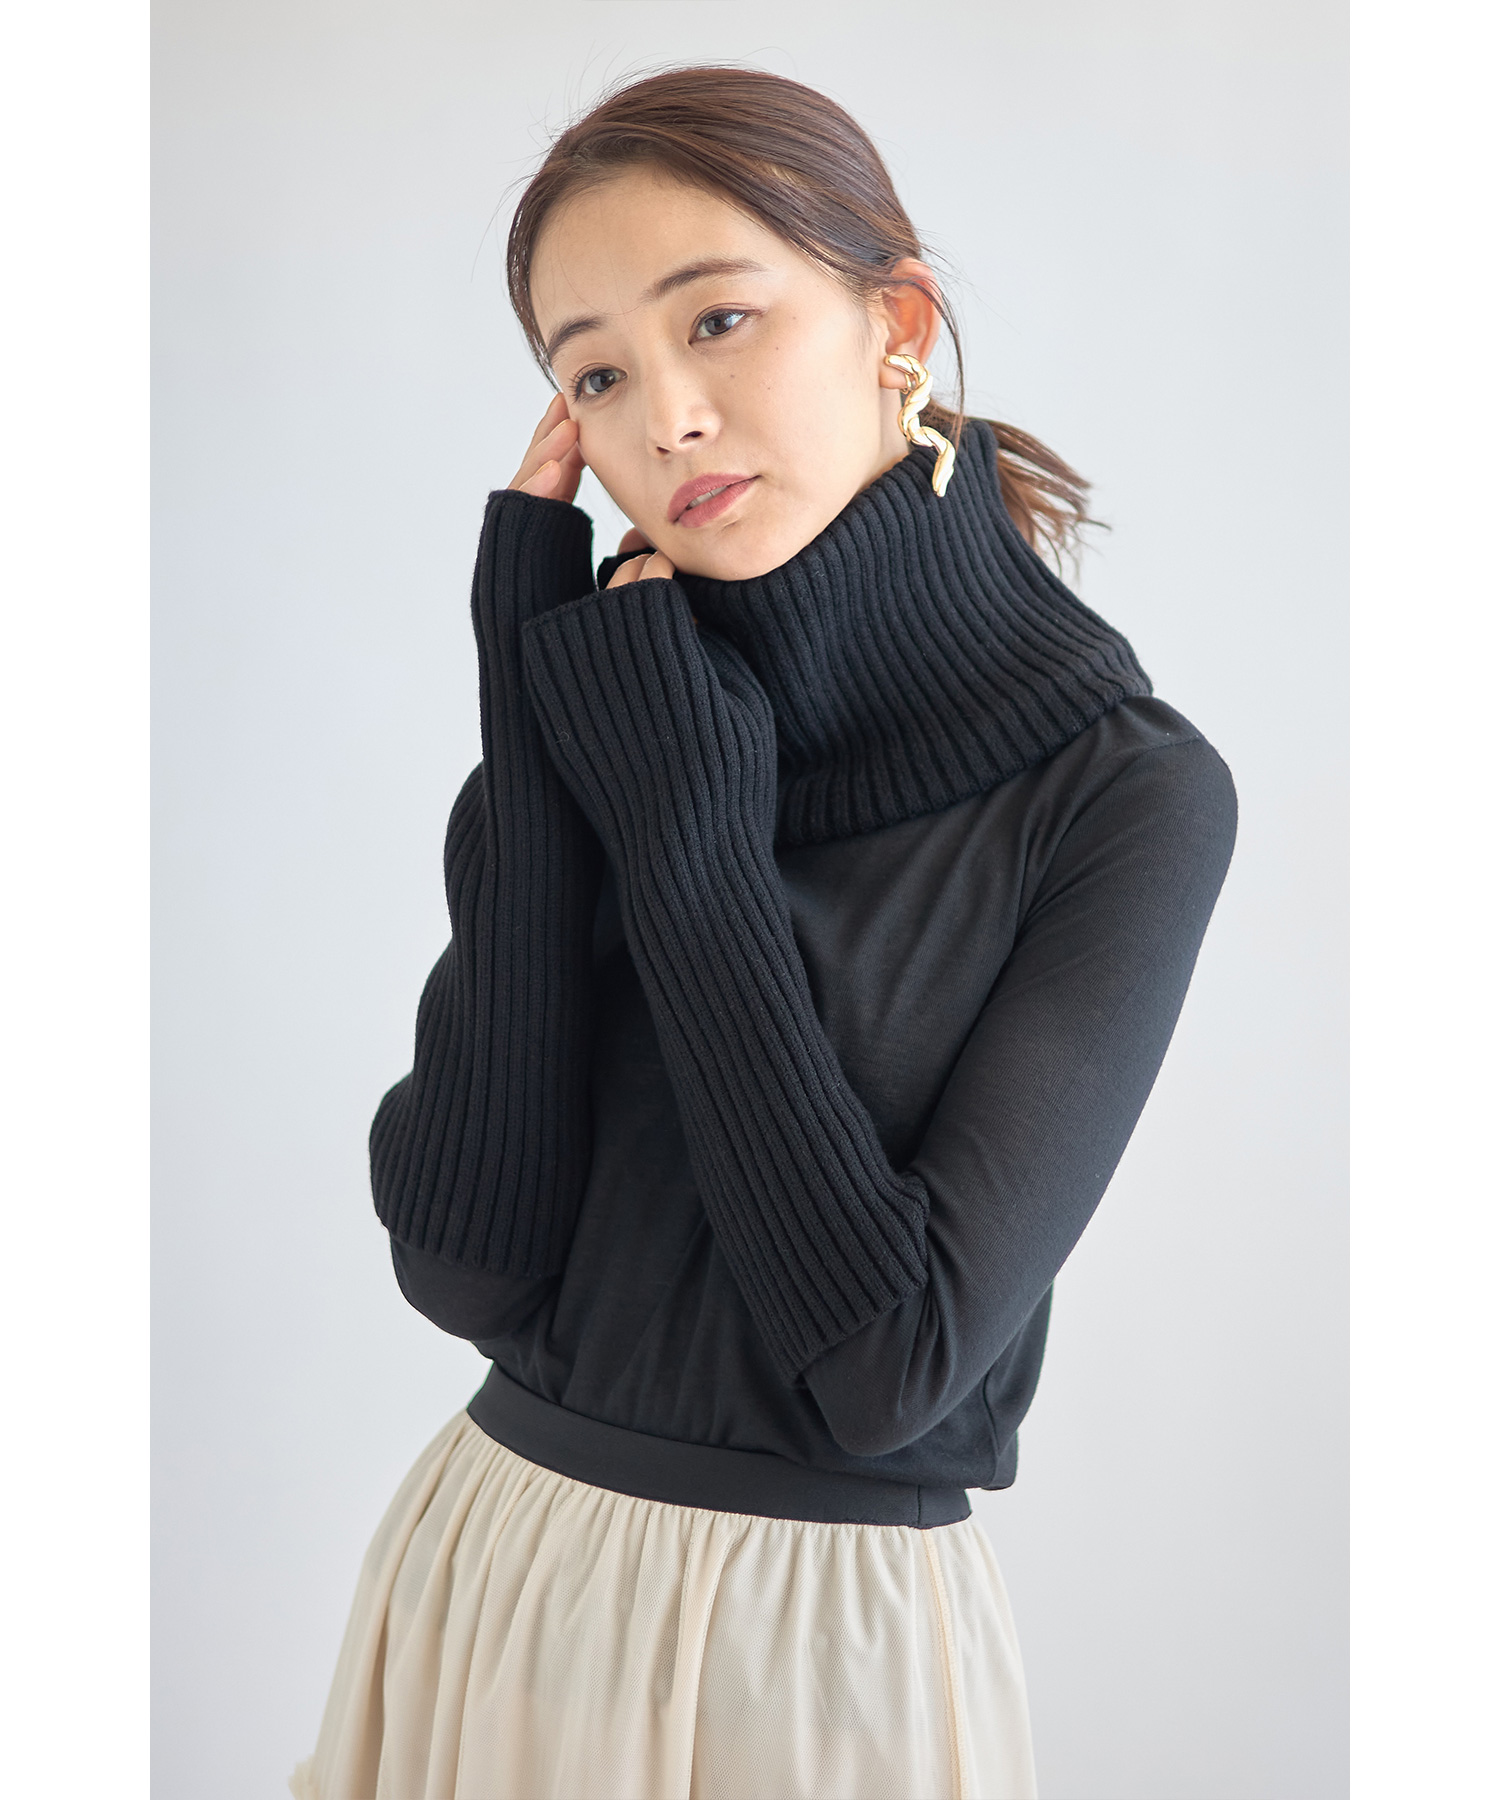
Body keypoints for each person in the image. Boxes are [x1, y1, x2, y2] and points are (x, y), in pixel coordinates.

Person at [292, 65, 1237, 1800]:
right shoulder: (616, 708)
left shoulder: (1124, 795)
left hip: (815, 1656)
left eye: (718, 319)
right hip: (484, 1576)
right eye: (596, 373)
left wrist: (692, 847)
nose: (669, 417)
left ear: (897, 324)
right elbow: (467, 1267)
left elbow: (887, 1365)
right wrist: (529, 718)